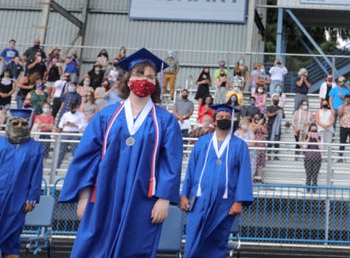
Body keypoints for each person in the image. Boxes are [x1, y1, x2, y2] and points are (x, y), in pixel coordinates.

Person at [58, 48, 183, 258]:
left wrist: (163, 199)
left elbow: (171, 162)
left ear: (156, 83)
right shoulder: (106, 116)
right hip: (103, 194)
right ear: (128, 78)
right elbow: (87, 158)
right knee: (93, 247)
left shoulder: (166, 121)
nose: (145, 79)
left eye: (151, 76)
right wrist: (83, 196)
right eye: (139, 73)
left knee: (134, 248)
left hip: (143, 198)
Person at [180, 104, 253, 258]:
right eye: (220, 117)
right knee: (194, 238)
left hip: (225, 203)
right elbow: (191, 170)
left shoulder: (240, 146)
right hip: (199, 199)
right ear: (214, 121)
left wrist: (239, 201)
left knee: (217, 240)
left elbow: (244, 175)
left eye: (227, 117)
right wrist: (184, 194)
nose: (224, 119)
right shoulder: (202, 143)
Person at [0, 109, 44, 258]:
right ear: (9, 122)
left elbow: (36, 175)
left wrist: (31, 198)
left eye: (24, 123)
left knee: (12, 238)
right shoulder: (0, 142)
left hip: (18, 200)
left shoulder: (36, 147)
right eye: (15, 122)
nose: (19, 125)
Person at [56, 100, 87, 169]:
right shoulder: (66, 114)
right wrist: (64, 124)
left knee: (75, 152)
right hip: (65, 133)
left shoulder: (81, 115)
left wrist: (75, 125)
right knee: (61, 151)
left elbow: (84, 126)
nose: (72, 109)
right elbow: (60, 124)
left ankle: (76, 169)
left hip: (74, 134)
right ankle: (56, 168)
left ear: (77, 107)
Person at [303, 123, 323, 192]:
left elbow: (321, 148)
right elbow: (304, 147)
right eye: (312, 131)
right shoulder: (306, 137)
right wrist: (308, 137)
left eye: (315, 131)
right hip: (308, 158)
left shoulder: (320, 137)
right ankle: (308, 190)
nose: (313, 132)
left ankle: (314, 190)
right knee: (308, 175)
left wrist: (317, 139)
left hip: (317, 158)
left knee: (315, 176)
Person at [266, 94, 284, 160]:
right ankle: (269, 154)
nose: (276, 100)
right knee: (270, 140)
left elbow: (283, 117)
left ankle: (276, 155)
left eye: (277, 99)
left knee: (277, 140)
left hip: (278, 127)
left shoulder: (280, 108)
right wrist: (275, 113)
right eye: (275, 99)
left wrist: (282, 112)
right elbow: (268, 114)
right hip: (271, 126)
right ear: (272, 100)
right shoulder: (269, 108)